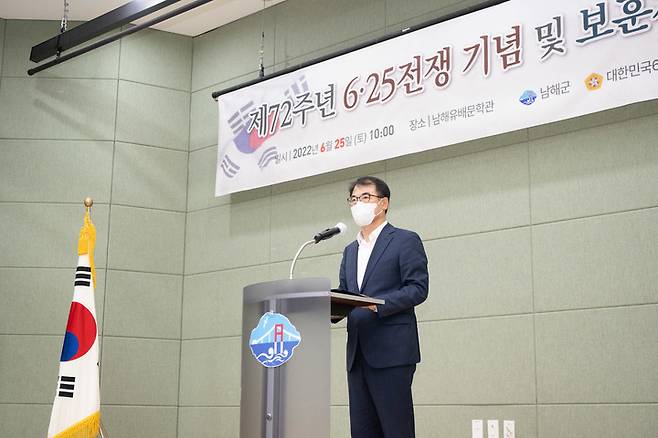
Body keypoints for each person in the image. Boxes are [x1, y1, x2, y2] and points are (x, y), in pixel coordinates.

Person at [338, 176, 429, 438]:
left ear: (384, 203)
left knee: (396, 430)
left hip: (392, 353)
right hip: (357, 355)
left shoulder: (404, 240)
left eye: (366, 197)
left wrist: (377, 305)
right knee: (362, 431)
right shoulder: (350, 251)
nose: (358, 204)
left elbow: (418, 288)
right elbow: (345, 293)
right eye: (354, 199)